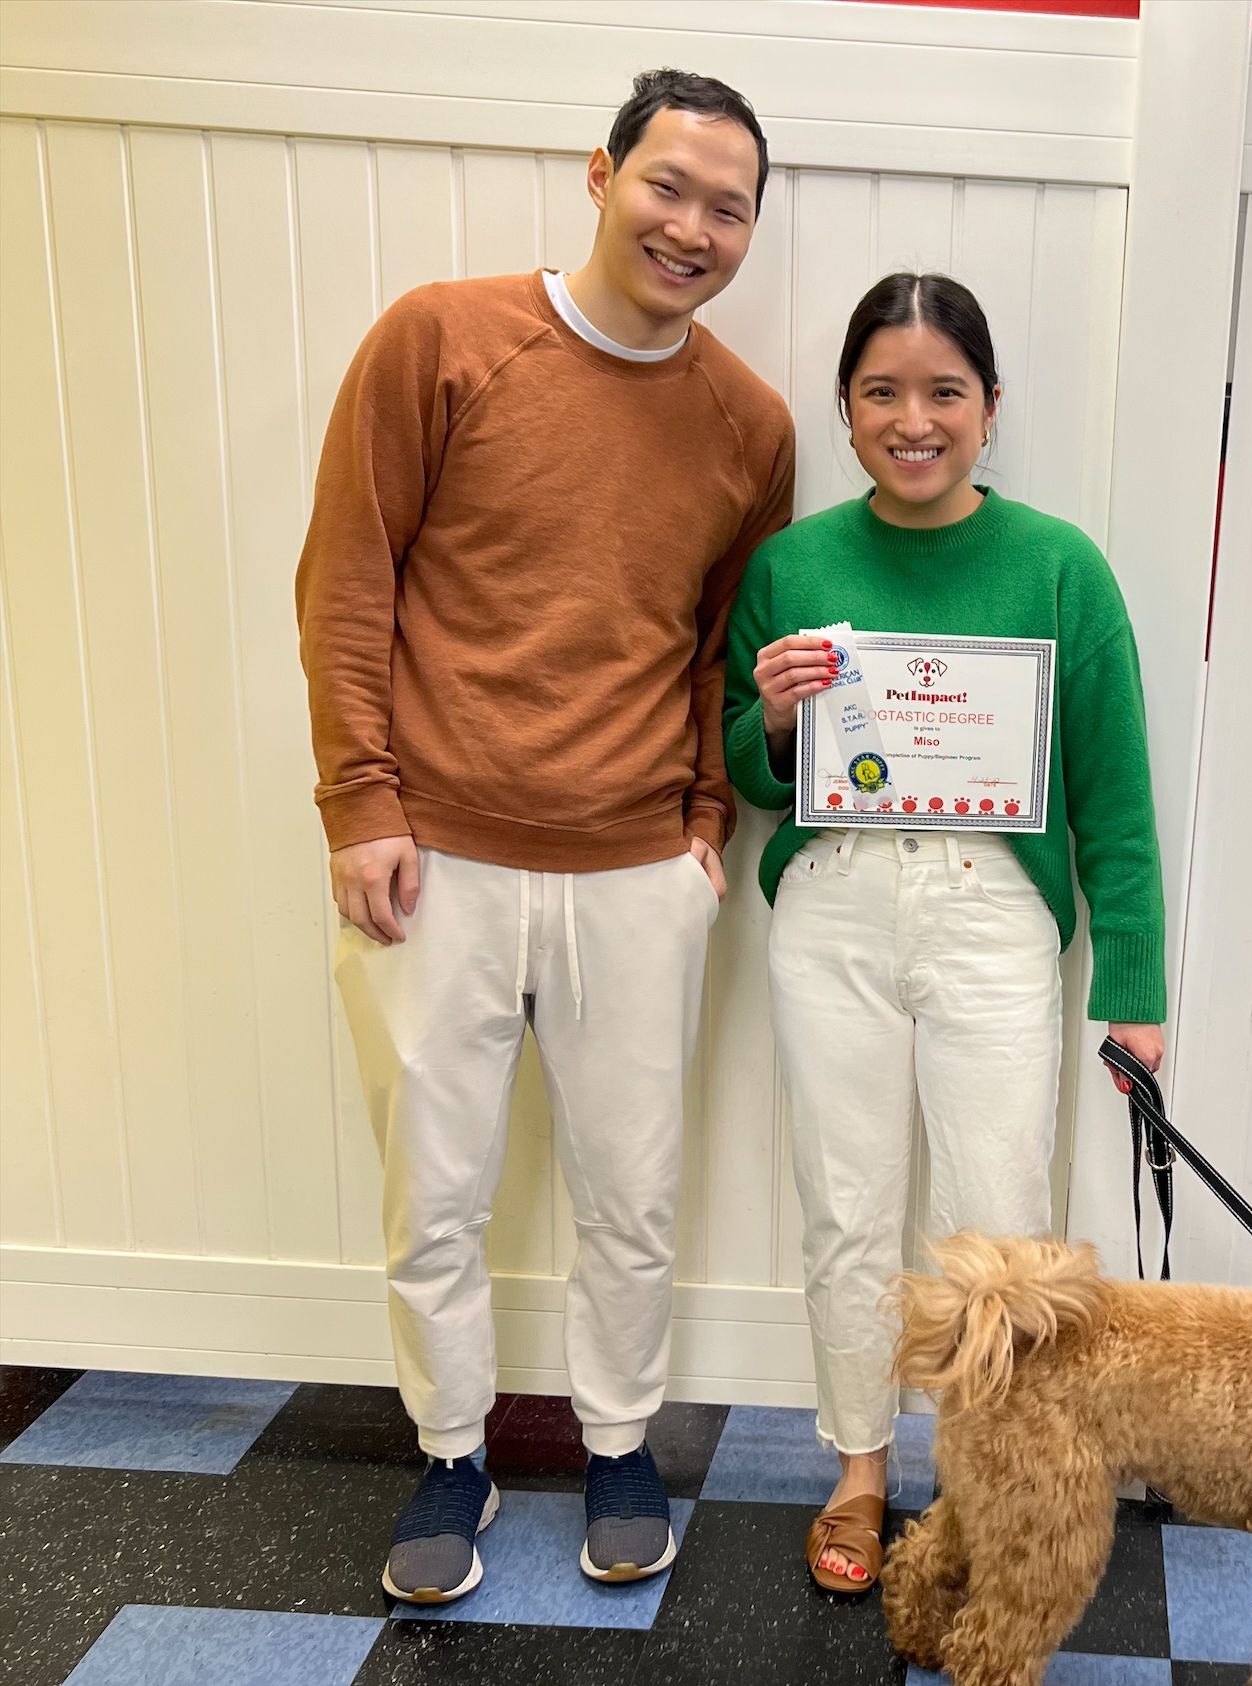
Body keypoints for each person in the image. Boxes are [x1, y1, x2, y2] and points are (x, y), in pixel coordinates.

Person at [297, 69, 794, 1604]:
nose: (692, 227)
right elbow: (346, 576)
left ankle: (622, 1441)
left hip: (641, 870)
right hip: (434, 859)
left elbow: (729, 644)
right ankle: (453, 1453)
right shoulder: (440, 340)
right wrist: (360, 802)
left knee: (630, 1190)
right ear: (600, 175)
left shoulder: (749, 423)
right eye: (668, 186)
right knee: (430, 1186)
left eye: (728, 207)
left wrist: (708, 823)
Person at [722, 272, 1167, 1597]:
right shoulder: (793, 564)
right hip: (836, 906)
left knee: (996, 1216)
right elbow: (747, 772)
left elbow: (1115, 793)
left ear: (987, 408)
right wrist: (780, 716)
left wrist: (1132, 983)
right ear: (847, 409)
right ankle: (858, 1468)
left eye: (943, 394)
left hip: (991, 914)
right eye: (881, 393)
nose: (912, 420)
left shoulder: (1057, 565)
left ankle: (986, 1481)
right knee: (845, 1202)